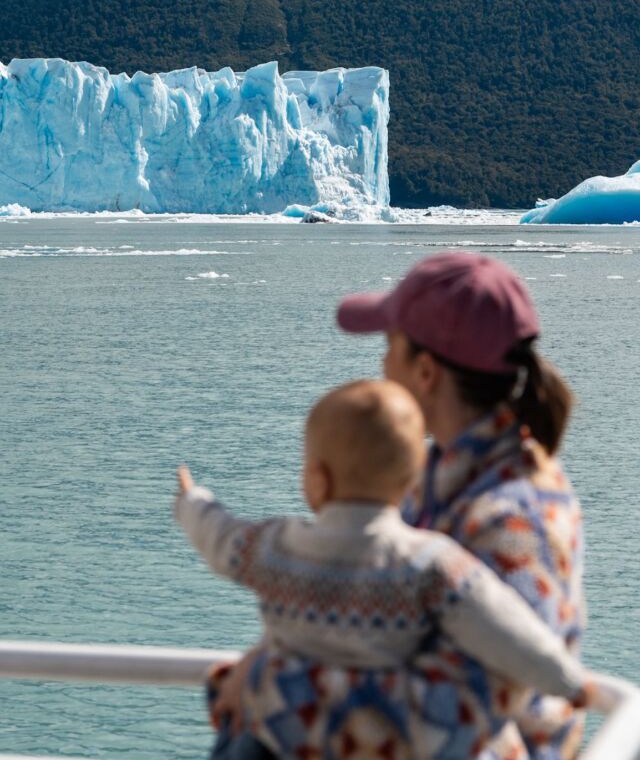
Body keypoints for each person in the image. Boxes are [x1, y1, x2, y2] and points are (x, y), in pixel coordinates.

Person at [209, 252, 585, 760]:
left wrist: (265, 684)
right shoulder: (435, 479)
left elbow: (462, 712)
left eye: (389, 348)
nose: (381, 366)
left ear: (425, 371)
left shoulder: (511, 519)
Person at [176, 377, 591, 760]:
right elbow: (508, 630)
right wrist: (569, 682)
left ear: (317, 480)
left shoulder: (276, 547)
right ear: (411, 480)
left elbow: (221, 537)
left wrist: (192, 502)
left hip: (283, 734)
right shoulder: (433, 562)